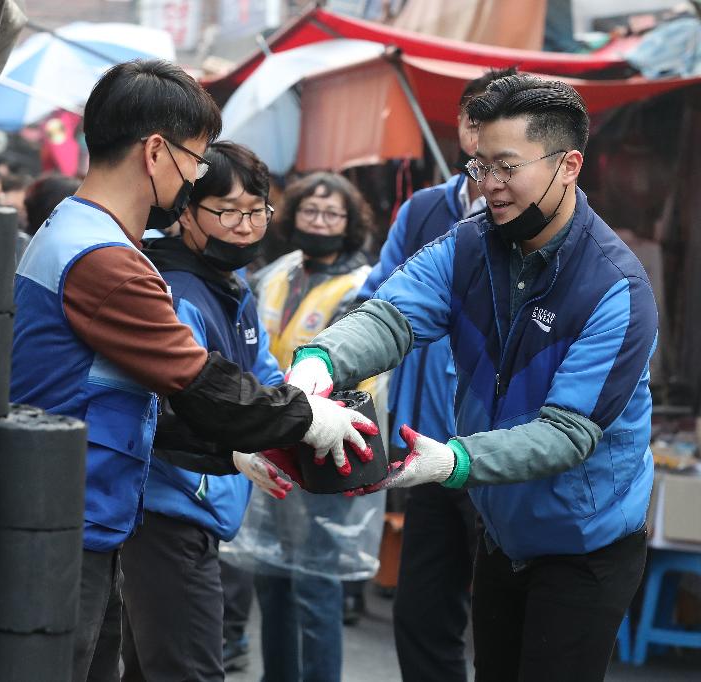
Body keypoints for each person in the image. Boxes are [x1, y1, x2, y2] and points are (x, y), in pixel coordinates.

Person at [9, 60, 379, 682]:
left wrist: (230, 454)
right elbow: (200, 383)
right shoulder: (105, 260)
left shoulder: (78, 232)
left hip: (74, 509)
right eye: (197, 160)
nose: (196, 177)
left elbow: (121, 396)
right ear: (156, 152)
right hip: (63, 518)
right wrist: (310, 418)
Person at [281, 74, 657, 682]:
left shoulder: (615, 287)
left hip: (585, 542)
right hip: (501, 526)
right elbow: (390, 315)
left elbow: (567, 433)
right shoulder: (469, 245)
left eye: (506, 167)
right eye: (480, 166)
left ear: (568, 165)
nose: (488, 186)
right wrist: (316, 364)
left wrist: (452, 460)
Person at [355, 68, 514, 682]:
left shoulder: (553, 221)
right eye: (474, 119)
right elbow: (378, 302)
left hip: (504, 453)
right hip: (427, 447)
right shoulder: (425, 210)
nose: (481, 136)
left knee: (503, 616)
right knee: (422, 614)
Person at [120, 141, 289, 681]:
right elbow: (174, 404)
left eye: (257, 210)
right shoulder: (176, 289)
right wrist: (245, 446)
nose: (245, 225)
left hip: (196, 505)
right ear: (186, 212)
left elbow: (264, 374)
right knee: (190, 668)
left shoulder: (230, 286)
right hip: (169, 507)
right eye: (227, 210)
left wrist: (295, 415)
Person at [249, 171, 381, 682]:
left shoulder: (362, 284)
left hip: (330, 439)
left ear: (349, 224)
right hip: (270, 432)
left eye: (332, 214)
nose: (319, 221)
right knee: (272, 576)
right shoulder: (277, 271)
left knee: (316, 583)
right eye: (310, 211)